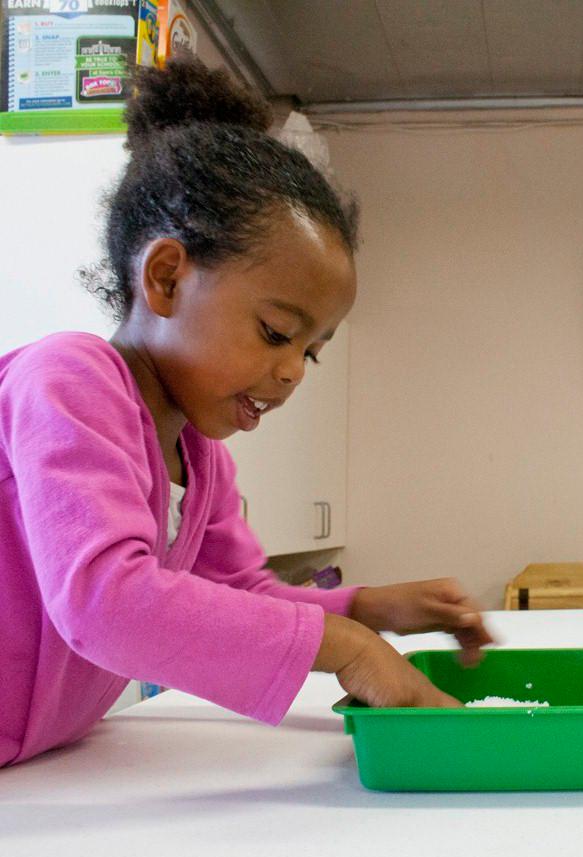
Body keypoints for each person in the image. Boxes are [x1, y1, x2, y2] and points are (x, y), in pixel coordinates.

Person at [0, 57, 492, 769]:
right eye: (275, 332)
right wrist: (348, 649)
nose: (292, 371)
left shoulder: (201, 462)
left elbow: (246, 597)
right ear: (166, 277)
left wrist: (368, 609)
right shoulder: (68, 380)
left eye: (312, 353)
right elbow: (104, 599)